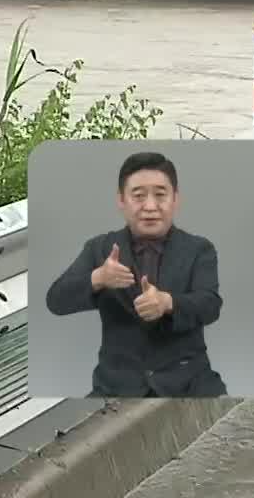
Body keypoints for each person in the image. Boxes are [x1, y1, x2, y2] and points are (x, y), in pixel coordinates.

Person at [43, 151, 226, 397]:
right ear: (121, 200)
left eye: (160, 195)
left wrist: (168, 303)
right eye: (138, 196)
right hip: (116, 386)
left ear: (175, 199)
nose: (150, 206)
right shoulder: (99, 248)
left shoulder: (199, 249)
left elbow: (210, 306)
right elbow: (56, 300)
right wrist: (98, 278)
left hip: (189, 384)